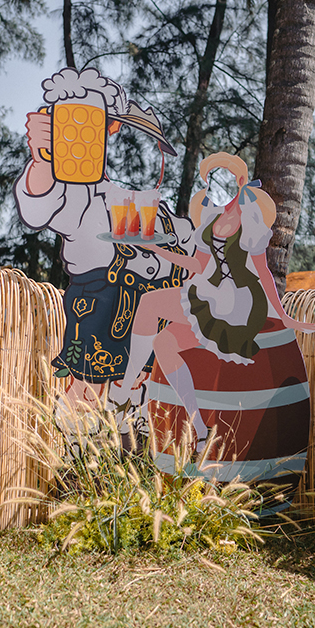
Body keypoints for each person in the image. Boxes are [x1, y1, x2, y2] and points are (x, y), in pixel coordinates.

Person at [108, 152, 315, 447]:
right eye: (211, 179)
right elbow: (198, 265)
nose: (216, 187)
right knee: (163, 344)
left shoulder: (252, 220)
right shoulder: (212, 220)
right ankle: (199, 428)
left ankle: (124, 389)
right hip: (209, 293)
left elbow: (264, 272)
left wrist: (283, 316)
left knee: (149, 303)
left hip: (237, 302)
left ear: (241, 182)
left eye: (225, 178)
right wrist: (158, 251)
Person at [14, 74, 194, 413]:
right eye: (71, 122)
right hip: (99, 319)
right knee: (87, 400)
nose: (83, 132)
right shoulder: (78, 194)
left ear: (111, 127)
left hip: (152, 344)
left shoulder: (153, 209)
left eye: (97, 123)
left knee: (140, 409)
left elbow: (191, 244)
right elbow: (39, 206)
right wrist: (41, 162)